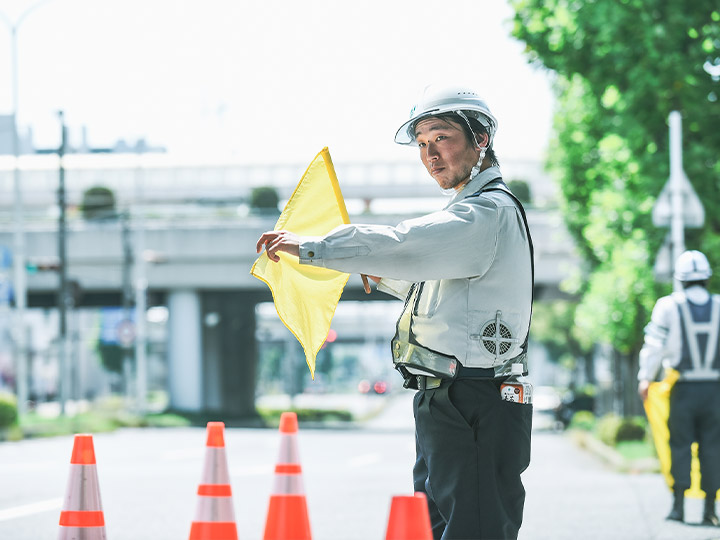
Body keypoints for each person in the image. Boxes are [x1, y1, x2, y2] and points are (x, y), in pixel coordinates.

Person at [256, 84, 534, 539]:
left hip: (474, 399)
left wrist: (316, 248)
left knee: (473, 529)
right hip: (453, 398)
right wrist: (378, 272)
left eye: (441, 138)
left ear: (481, 139)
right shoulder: (471, 217)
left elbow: (405, 242)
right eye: (422, 144)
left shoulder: (485, 213)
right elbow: (437, 284)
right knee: (443, 526)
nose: (430, 154)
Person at [638, 249, 720, 526]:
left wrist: (645, 378)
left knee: (680, 445)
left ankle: (678, 507)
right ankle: (710, 510)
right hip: (715, 391)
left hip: (682, 390)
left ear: (680, 280)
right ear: (707, 278)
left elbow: (654, 346)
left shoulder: (668, 306)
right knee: (713, 447)